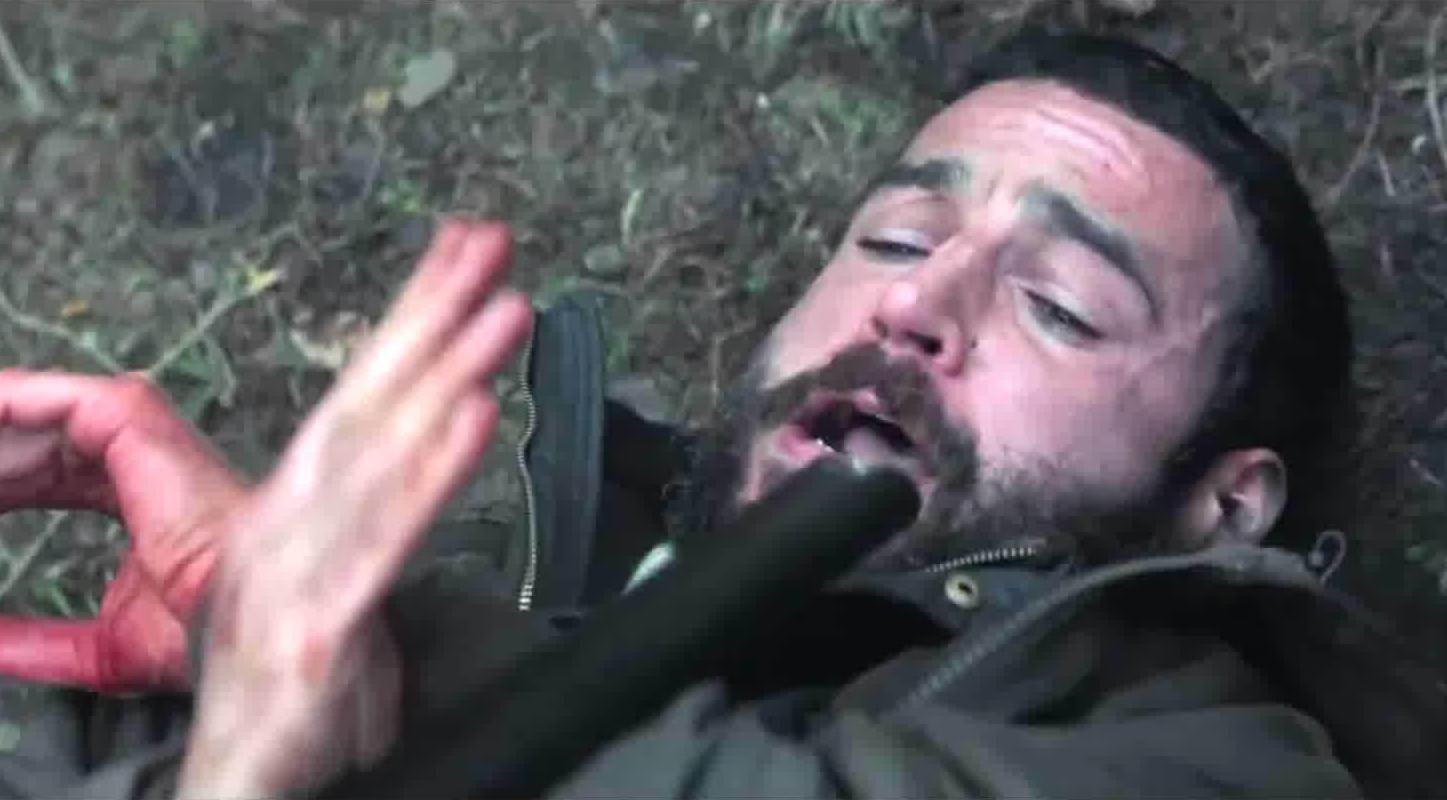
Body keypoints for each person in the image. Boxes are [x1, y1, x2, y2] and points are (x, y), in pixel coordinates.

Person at [0, 30, 1442, 798]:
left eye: (1061, 305)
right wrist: (246, 653)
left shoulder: (1227, 765)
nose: (914, 301)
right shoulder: (442, 574)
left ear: (1224, 504)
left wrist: (364, 666)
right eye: (894, 236)